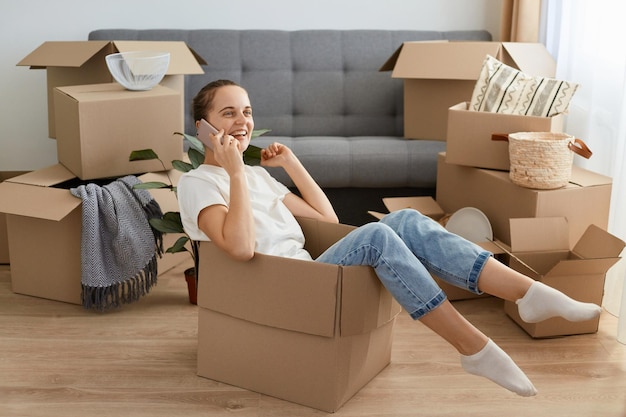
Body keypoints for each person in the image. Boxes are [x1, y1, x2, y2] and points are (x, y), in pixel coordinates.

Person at [177, 80, 603, 397]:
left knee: (407, 222)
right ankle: (473, 345)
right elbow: (240, 249)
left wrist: (290, 163)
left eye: (247, 111)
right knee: (379, 235)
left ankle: (528, 293)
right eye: (228, 113)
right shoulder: (199, 183)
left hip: (309, 274)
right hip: (279, 288)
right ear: (204, 128)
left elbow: (328, 220)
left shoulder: (256, 177)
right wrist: (232, 172)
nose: (242, 122)